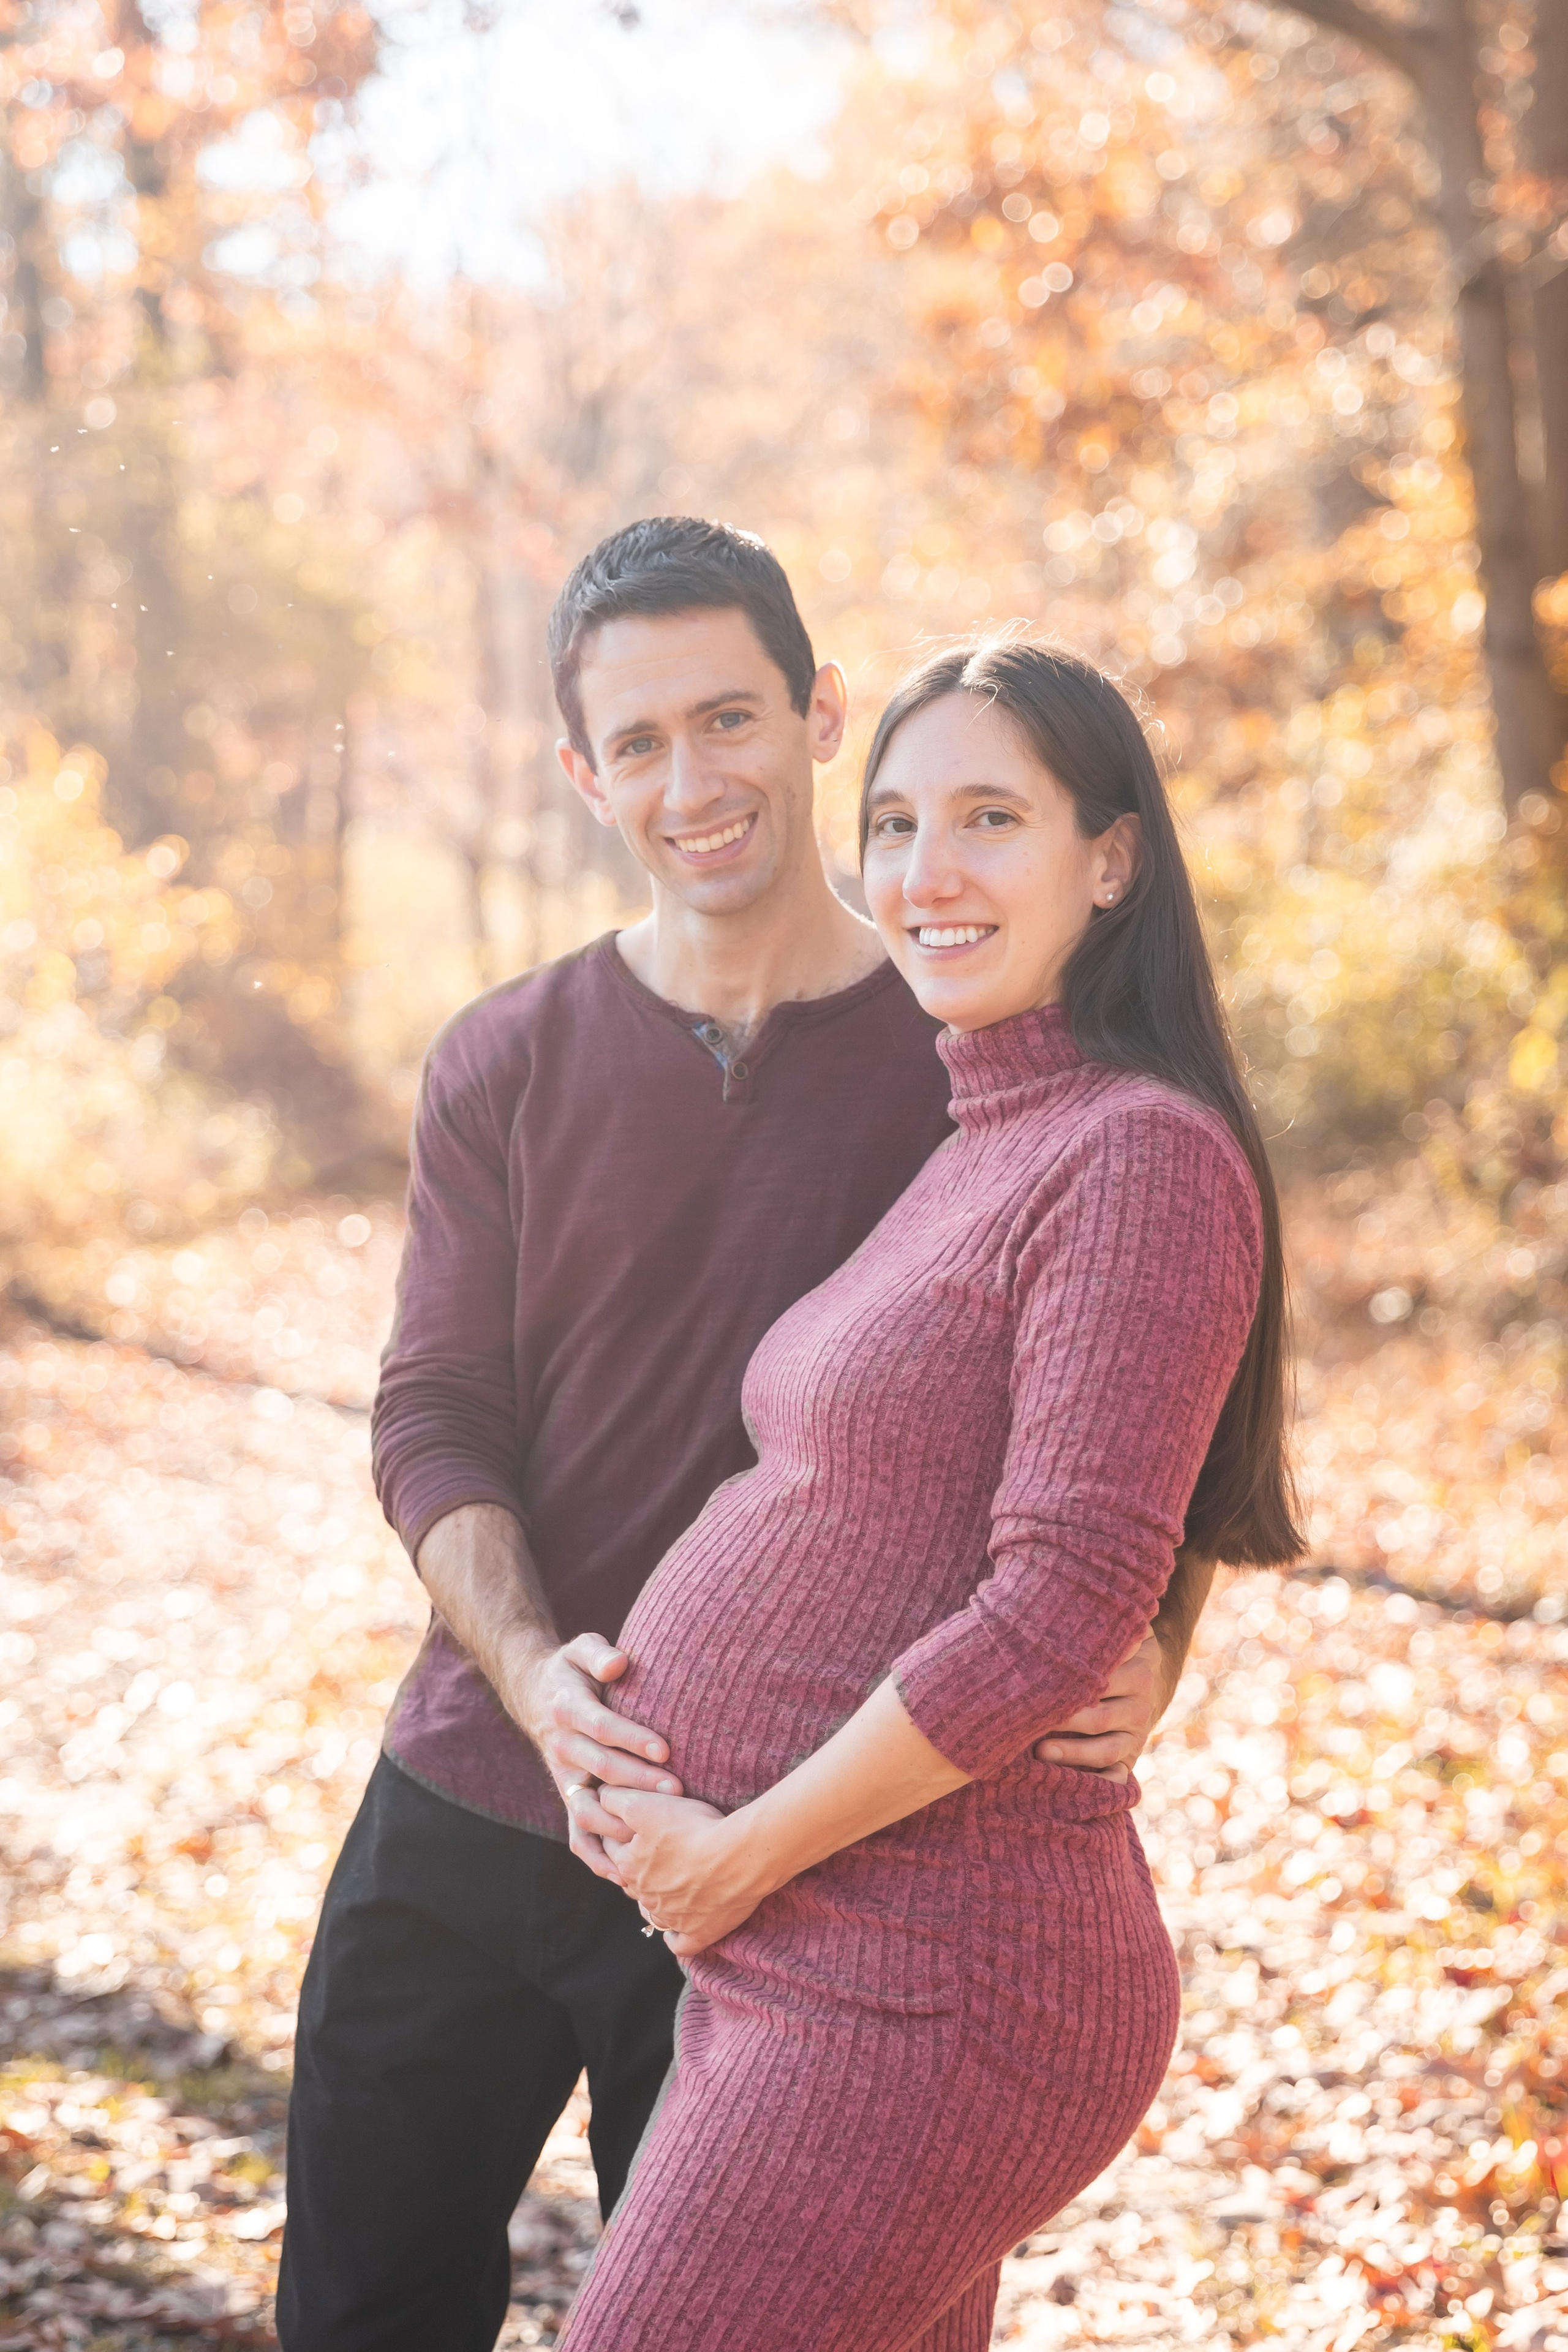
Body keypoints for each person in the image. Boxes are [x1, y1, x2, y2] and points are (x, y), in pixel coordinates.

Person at [276, 526, 1218, 2352]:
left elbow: (1150, 1363)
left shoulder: (972, 1032)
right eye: (638, 743)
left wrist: (1162, 1631)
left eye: (728, 718)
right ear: (584, 775)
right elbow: (435, 1411)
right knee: (358, 2313)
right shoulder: (505, 1055)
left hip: (797, 1863)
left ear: (817, 715)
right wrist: (537, 1674)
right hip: (478, 1793)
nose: (691, 780)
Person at [557, 638, 1303, 2352]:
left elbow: (1061, 1605)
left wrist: (736, 1851)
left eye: (989, 818)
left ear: (1111, 860)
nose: (926, 872)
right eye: (893, 824)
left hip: (927, 1977)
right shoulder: (991, 1133)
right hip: (817, 1946)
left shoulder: (1137, 1150)